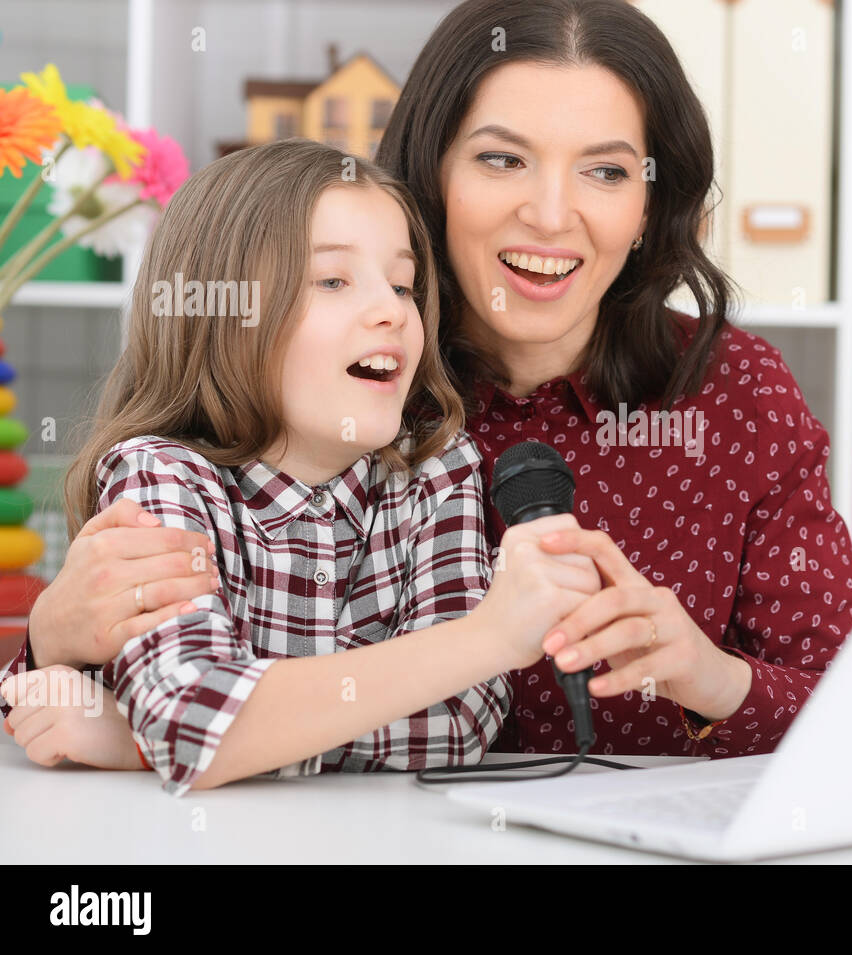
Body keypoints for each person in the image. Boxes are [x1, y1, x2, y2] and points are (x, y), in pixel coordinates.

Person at [14, 0, 852, 762]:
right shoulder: (360, 400)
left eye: (606, 171)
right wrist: (52, 643)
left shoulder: (734, 393)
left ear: (650, 206)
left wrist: (713, 680)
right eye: (503, 160)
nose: (550, 213)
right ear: (433, 175)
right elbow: (101, 703)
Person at [0, 139, 600, 795]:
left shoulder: (435, 468)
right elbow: (193, 717)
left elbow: (458, 720)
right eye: (332, 280)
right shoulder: (161, 477)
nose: (391, 310)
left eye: (402, 284)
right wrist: (487, 639)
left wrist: (147, 737)